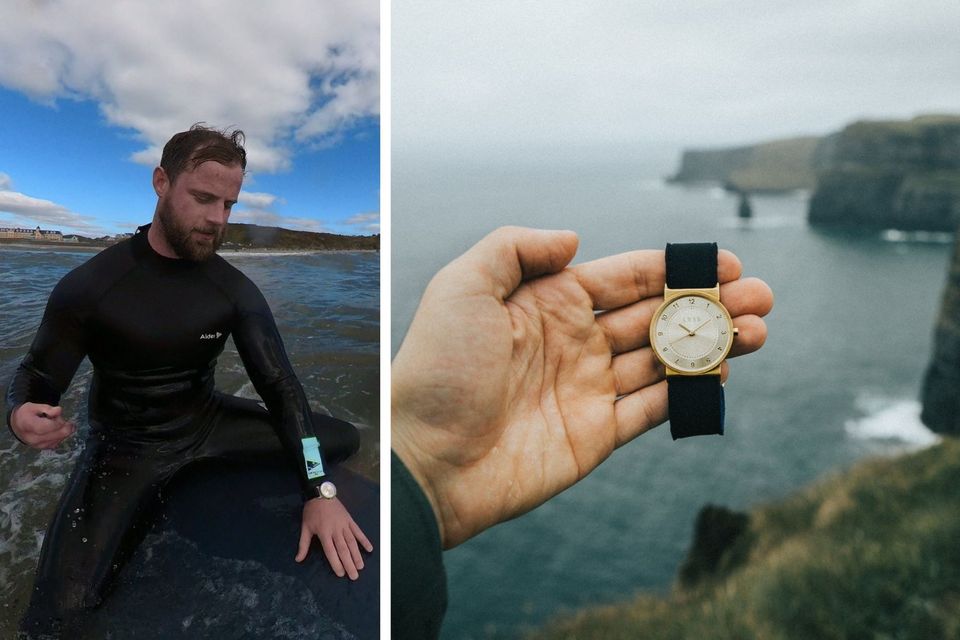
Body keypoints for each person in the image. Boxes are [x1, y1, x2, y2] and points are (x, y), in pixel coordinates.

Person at [6, 124, 373, 638]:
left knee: (341, 439)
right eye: (203, 198)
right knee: (56, 615)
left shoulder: (232, 289)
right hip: (125, 446)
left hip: (205, 424)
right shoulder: (91, 287)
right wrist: (22, 414)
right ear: (161, 182)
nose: (216, 220)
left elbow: (282, 388)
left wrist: (320, 489)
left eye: (229, 205)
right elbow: (38, 375)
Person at [391, 226, 773, 638]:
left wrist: (419, 462)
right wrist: (420, 468)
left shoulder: (674, 330)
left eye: (702, 330)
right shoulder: (704, 330)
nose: (697, 331)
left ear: (723, 332)